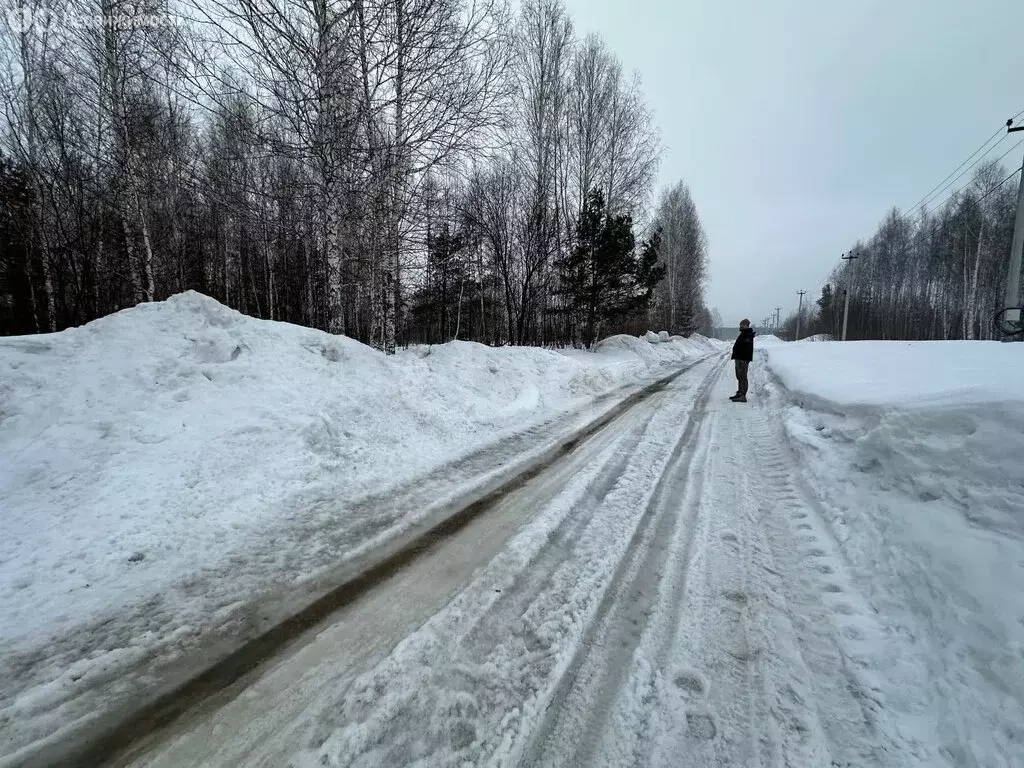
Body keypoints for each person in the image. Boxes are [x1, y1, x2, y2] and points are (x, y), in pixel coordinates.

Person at [730, 319, 755, 402]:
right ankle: (740, 393)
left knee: (743, 377)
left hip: (743, 359)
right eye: (740, 324)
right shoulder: (744, 333)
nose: (740, 326)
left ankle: (743, 396)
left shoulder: (747, 334)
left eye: (742, 324)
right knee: (739, 377)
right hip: (739, 359)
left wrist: (742, 359)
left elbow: (747, 348)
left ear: (746, 325)